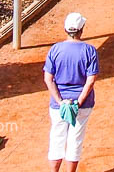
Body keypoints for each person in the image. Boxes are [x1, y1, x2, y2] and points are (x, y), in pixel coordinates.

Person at [44, 12, 99, 172]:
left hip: (57, 106)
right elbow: (90, 81)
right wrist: (78, 103)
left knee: (57, 139)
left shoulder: (55, 50)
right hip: (82, 106)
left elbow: (48, 79)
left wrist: (61, 102)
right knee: (75, 140)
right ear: (81, 30)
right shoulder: (90, 51)